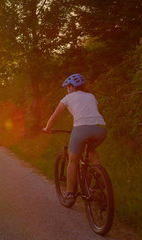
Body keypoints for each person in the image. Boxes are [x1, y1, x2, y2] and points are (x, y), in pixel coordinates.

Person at [43, 73, 107, 205]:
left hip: (81, 130)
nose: (67, 89)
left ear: (71, 86)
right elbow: (100, 113)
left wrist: (47, 128)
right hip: (101, 129)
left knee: (72, 160)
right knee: (91, 148)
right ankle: (99, 176)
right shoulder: (91, 96)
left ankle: (70, 194)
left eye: (67, 86)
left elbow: (55, 115)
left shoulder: (68, 97)